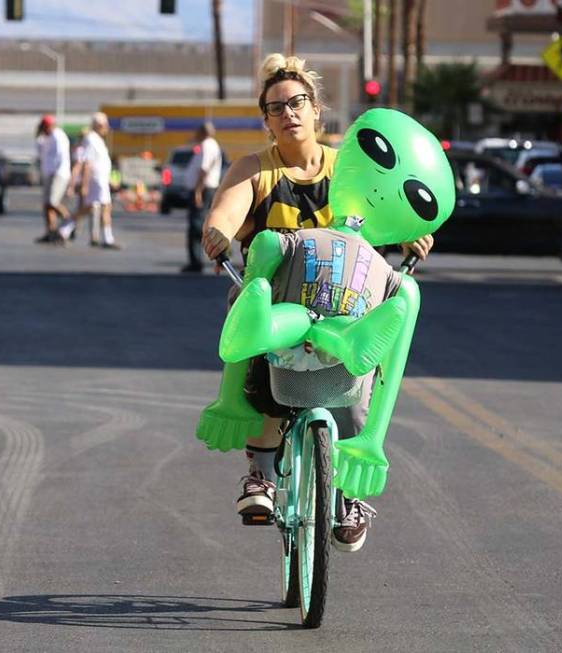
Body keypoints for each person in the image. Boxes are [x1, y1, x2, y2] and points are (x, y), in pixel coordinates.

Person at [200, 53, 433, 552]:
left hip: (346, 299)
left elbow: (387, 208)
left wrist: (414, 236)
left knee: (359, 382)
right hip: (278, 295)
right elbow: (226, 211)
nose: (288, 113)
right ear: (265, 120)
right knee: (266, 369)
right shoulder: (254, 170)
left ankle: (348, 492)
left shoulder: (348, 165)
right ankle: (260, 474)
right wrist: (217, 233)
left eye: (297, 102)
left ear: (316, 109)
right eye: (275, 107)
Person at [59, 113, 119, 249]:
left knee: (88, 208)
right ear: (98, 125)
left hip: (101, 179)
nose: (107, 128)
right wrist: (84, 184)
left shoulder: (97, 139)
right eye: (105, 125)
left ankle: (64, 230)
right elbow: (87, 163)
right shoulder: (91, 139)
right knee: (105, 207)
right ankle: (108, 239)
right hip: (96, 180)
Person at [181, 123, 223, 273]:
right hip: (207, 189)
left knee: (196, 226)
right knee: (206, 224)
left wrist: (198, 191)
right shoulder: (211, 145)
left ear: (202, 132)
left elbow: (204, 170)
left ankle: (196, 262)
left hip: (203, 189)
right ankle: (216, 258)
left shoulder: (207, 145)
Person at [35, 115, 71, 244]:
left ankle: (69, 221)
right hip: (47, 174)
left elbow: (61, 157)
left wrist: (56, 173)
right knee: (46, 205)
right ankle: (51, 232)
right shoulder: (45, 138)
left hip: (58, 173)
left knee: (53, 201)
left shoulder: (58, 136)